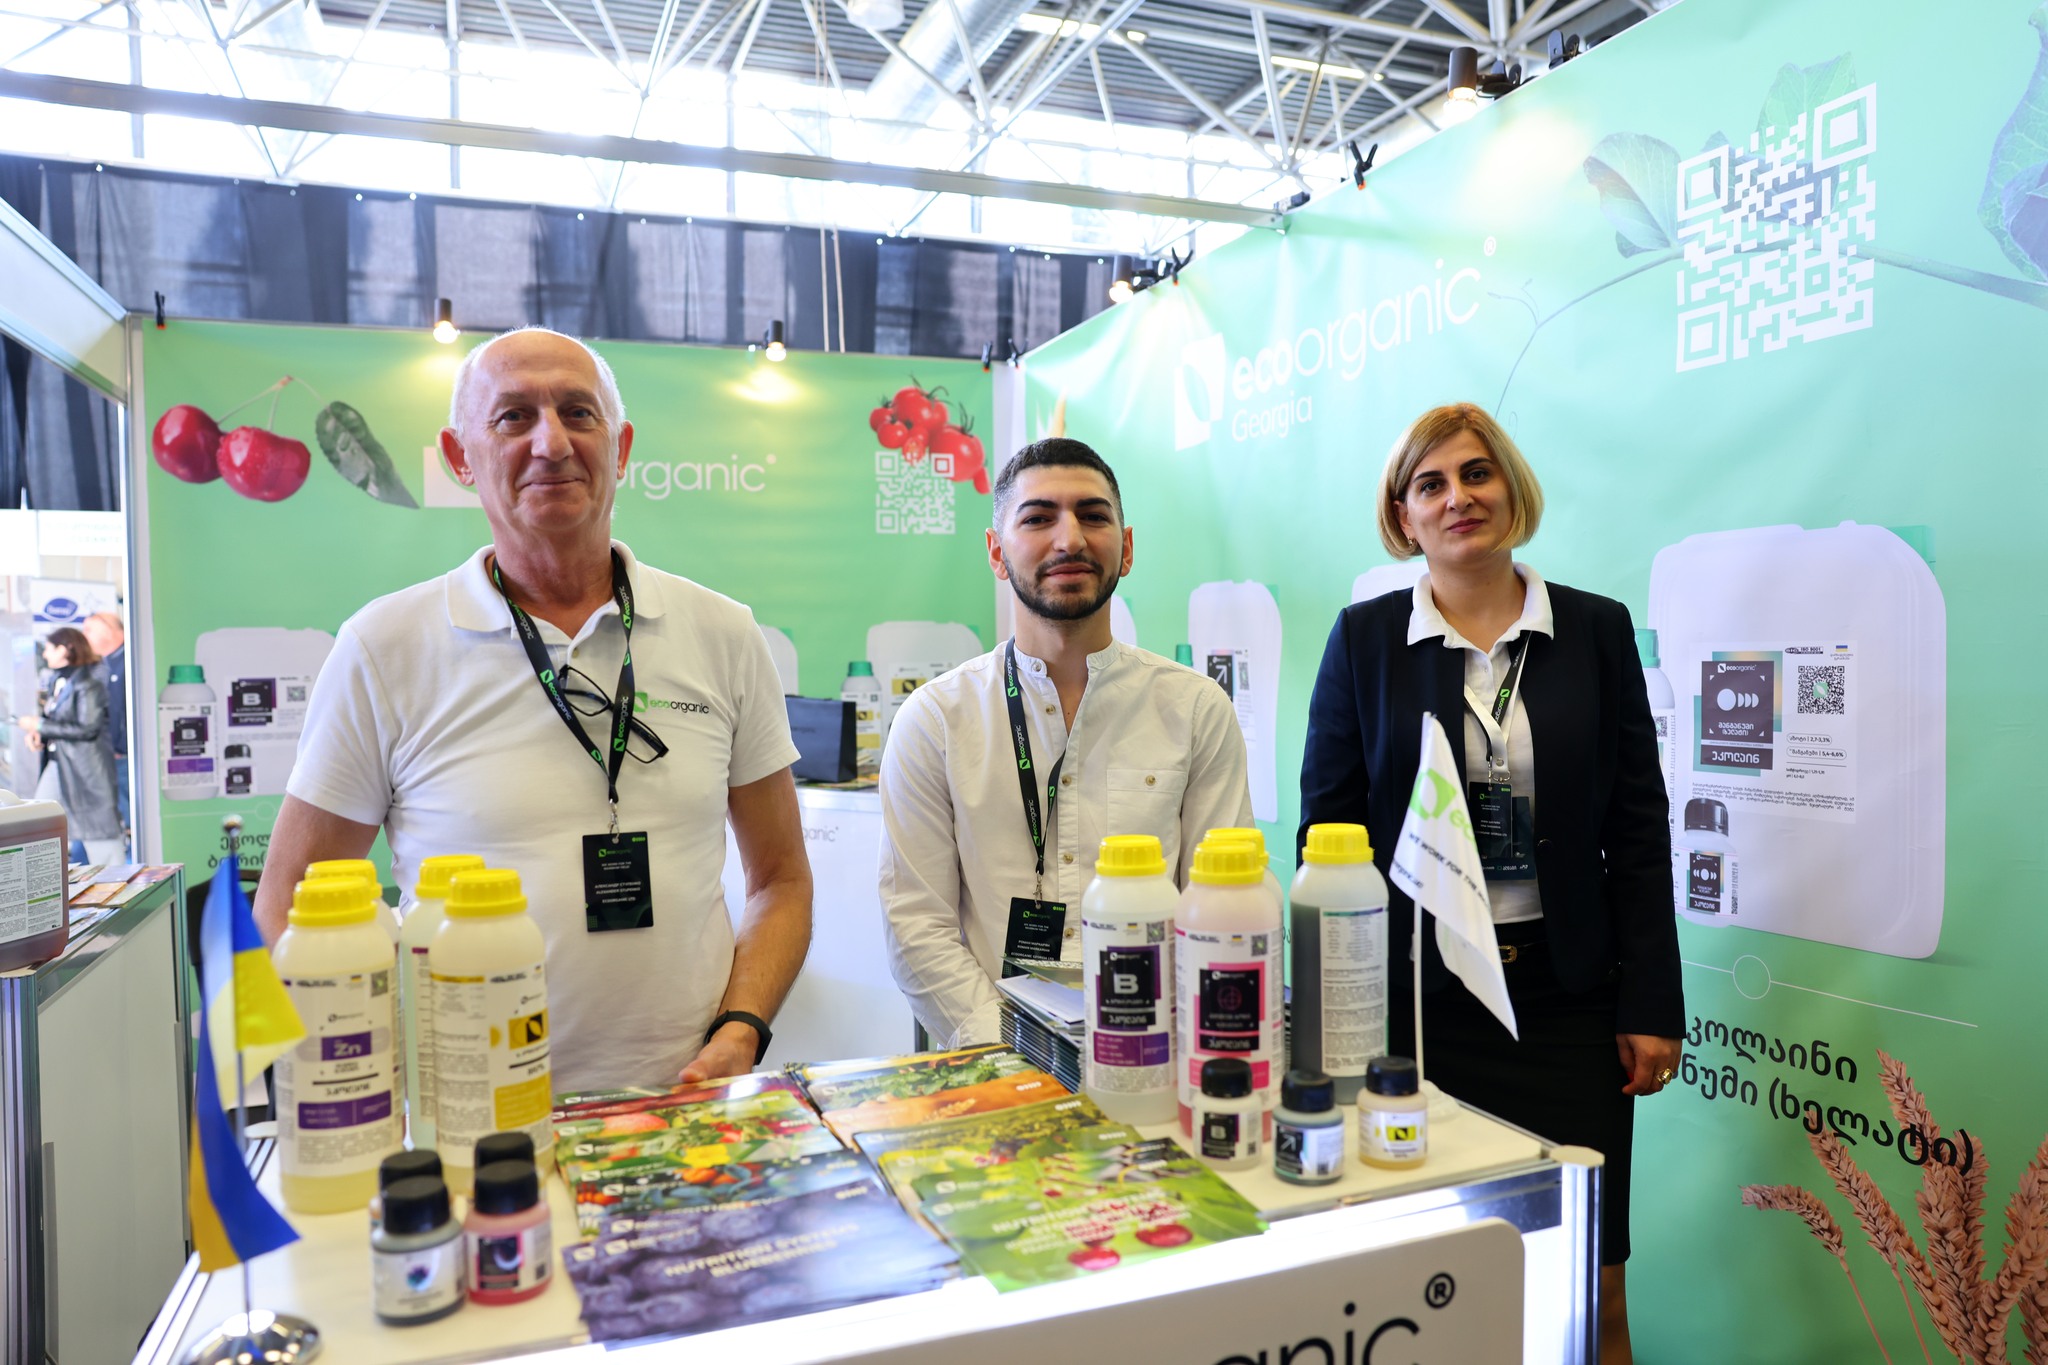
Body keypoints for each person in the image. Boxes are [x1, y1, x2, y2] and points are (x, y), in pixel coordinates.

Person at [253, 326, 813, 1092]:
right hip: (470, 1120)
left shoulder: (723, 633)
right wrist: (360, 1093)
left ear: (620, 447)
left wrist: (741, 1030)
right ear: (459, 457)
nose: (551, 443)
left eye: (578, 413)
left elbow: (780, 879)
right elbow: (289, 905)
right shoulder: (384, 647)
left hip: (689, 1109)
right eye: (513, 416)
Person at [1296, 403, 1681, 1365]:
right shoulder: (1364, 640)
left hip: (1567, 1004)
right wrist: (1334, 1019)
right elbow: (1326, 837)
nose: (1457, 497)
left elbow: (1638, 828)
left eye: (1477, 473)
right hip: (1419, 1011)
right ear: (1404, 515)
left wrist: (1652, 1000)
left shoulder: (1595, 629)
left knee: (1592, 1289)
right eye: (1430, 484)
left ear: (1512, 489)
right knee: (1426, 1287)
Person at [879, 436, 1255, 1047]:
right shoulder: (935, 720)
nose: (1070, 539)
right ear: (996, 552)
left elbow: (1220, 906)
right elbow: (916, 924)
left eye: (1092, 515)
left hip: (1156, 1048)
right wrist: (1014, 1053)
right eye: (1038, 518)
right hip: (993, 1054)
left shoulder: (1195, 709)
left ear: (1126, 549)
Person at [14, 627, 125, 865]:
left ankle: (115, 879)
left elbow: (87, 728)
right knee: (39, 819)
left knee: (98, 832)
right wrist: (40, 734)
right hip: (59, 765)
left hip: (85, 770)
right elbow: (60, 721)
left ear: (65, 649)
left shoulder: (89, 683)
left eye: (50, 649)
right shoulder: (59, 680)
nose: (45, 654)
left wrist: (39, 725)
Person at [81, 610, 130, 842]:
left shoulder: (132, 660)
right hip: (111, 755)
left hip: (128, 756)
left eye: (89, 630)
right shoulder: (102, 667)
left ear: (109, 629)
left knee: (132, 817)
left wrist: (122, 747)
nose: (84, 636)